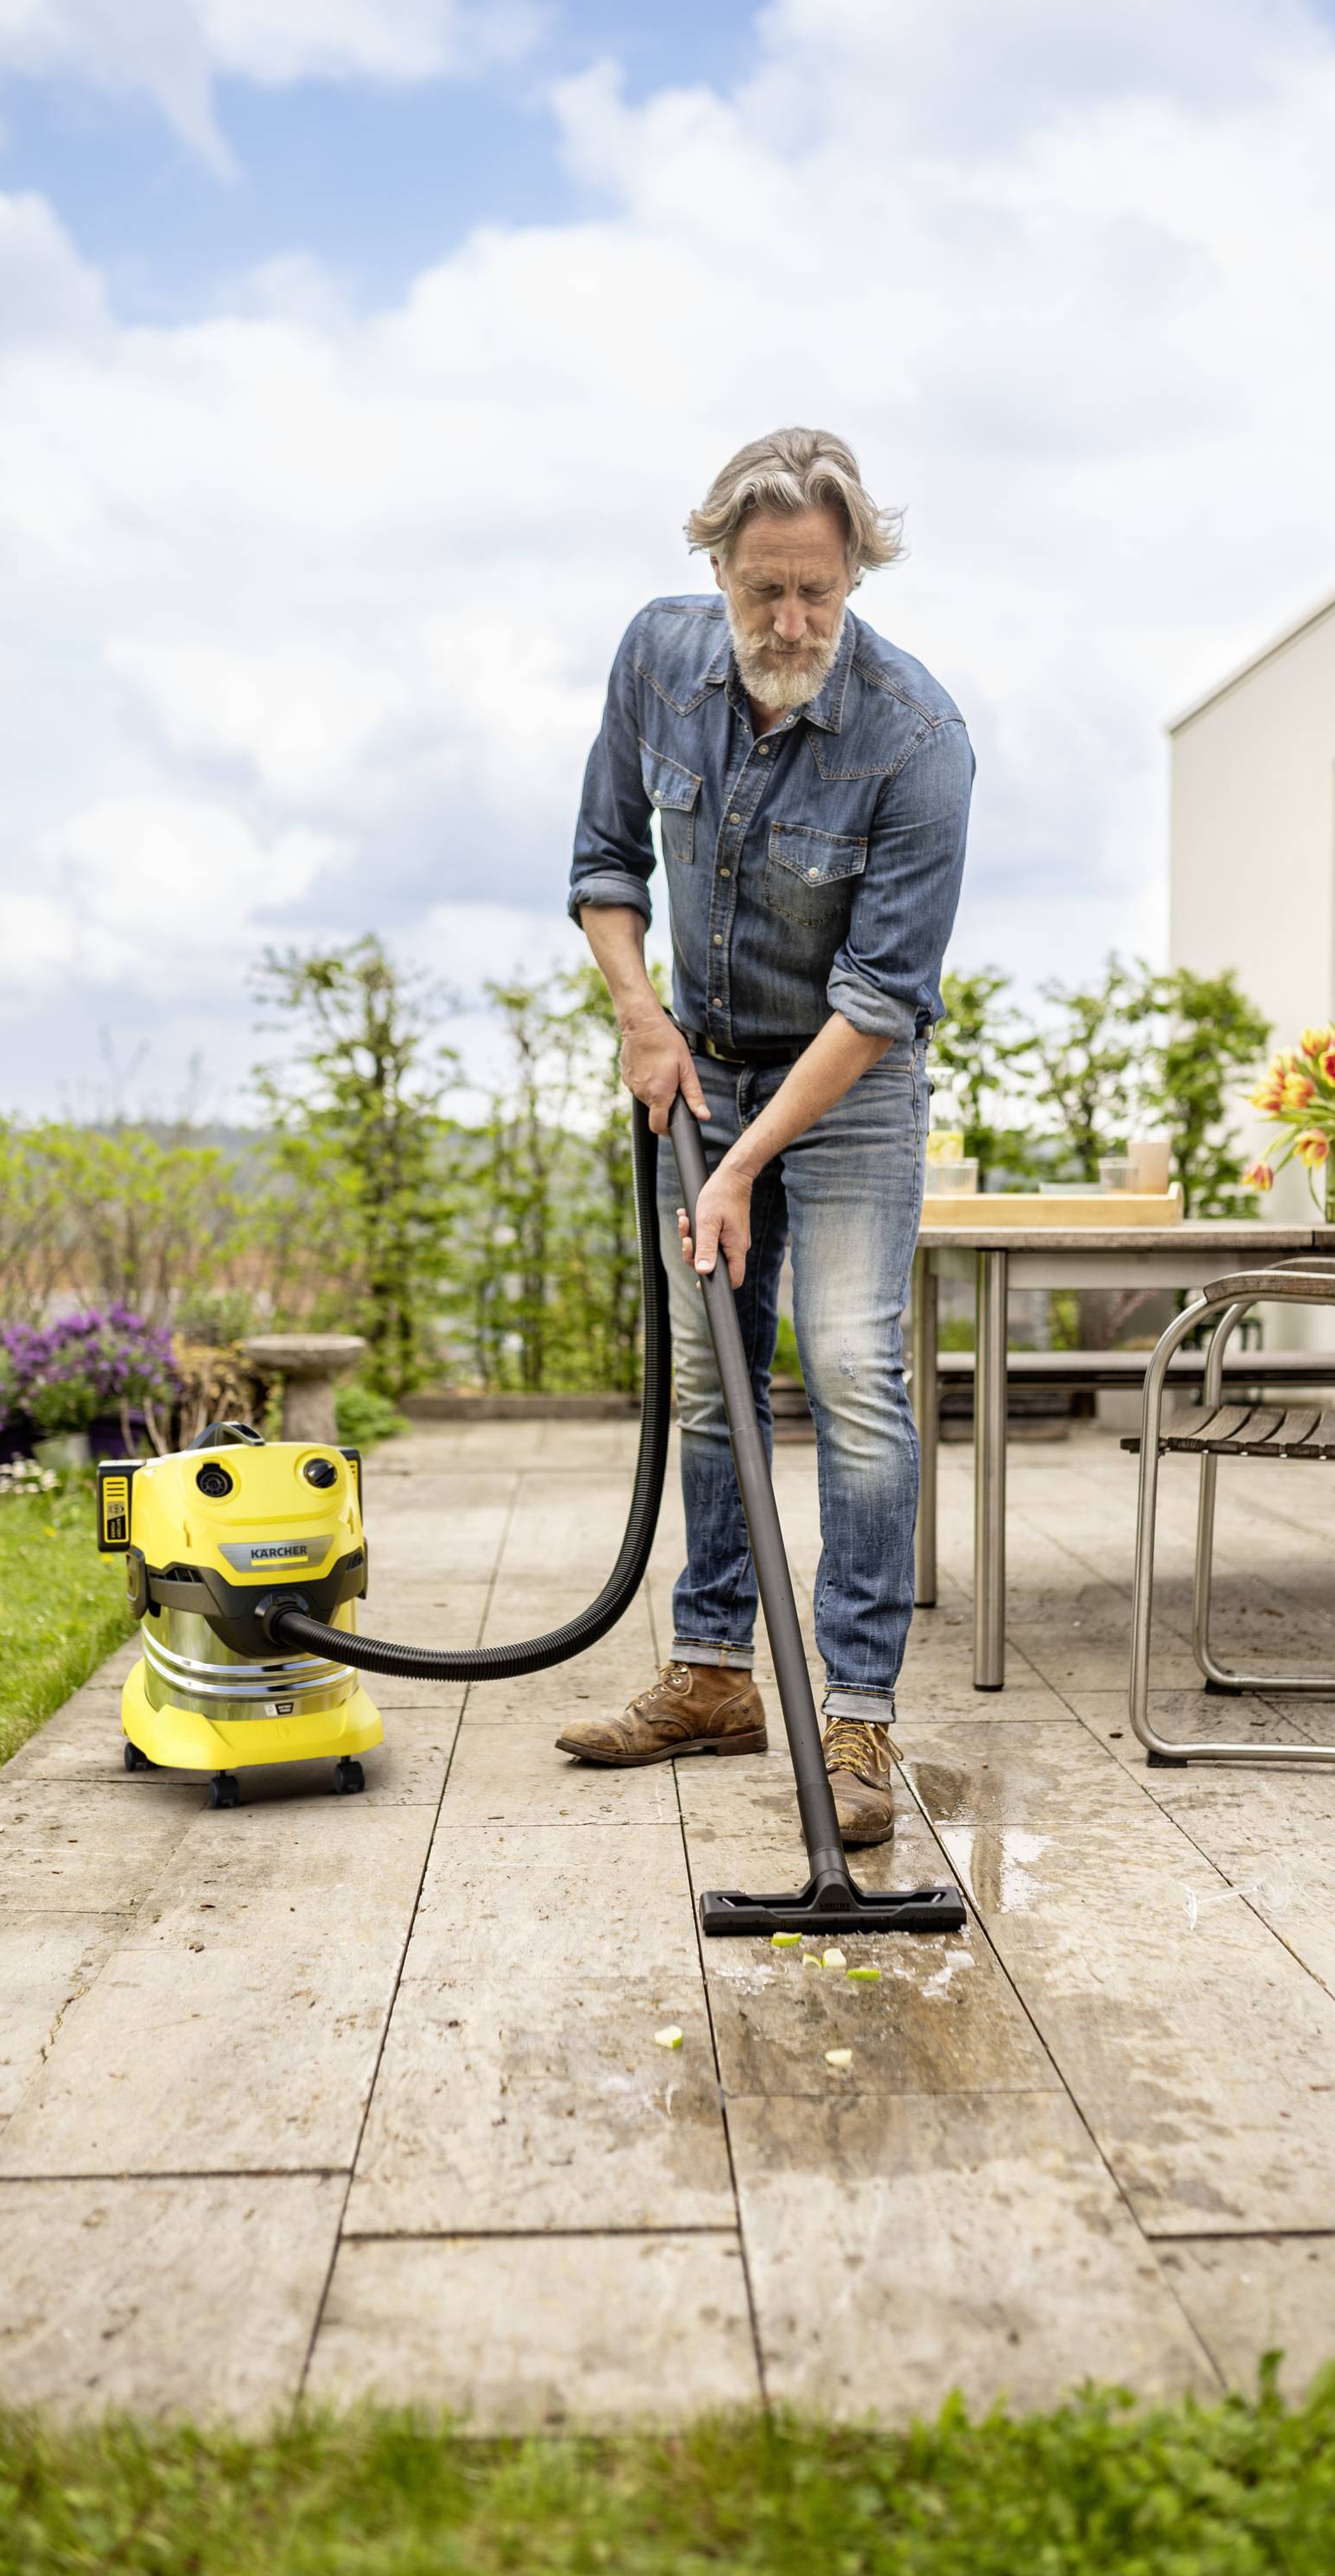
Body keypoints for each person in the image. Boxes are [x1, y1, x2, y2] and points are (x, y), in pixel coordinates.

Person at [558, 426, 973, 1844]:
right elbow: (605, 863)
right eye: (761, 590)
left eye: (817, 592)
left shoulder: (917, 740)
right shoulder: (654, 663)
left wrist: (740, 1162)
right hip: (702, 1066)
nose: (789, 623)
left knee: (852, 1374)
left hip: (851, 1087)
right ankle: (715, 1675)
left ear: (859, 571)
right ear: (715, 566)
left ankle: (855, 1719)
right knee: (707, 1367)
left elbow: (880, 1000)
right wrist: (639, 1014)